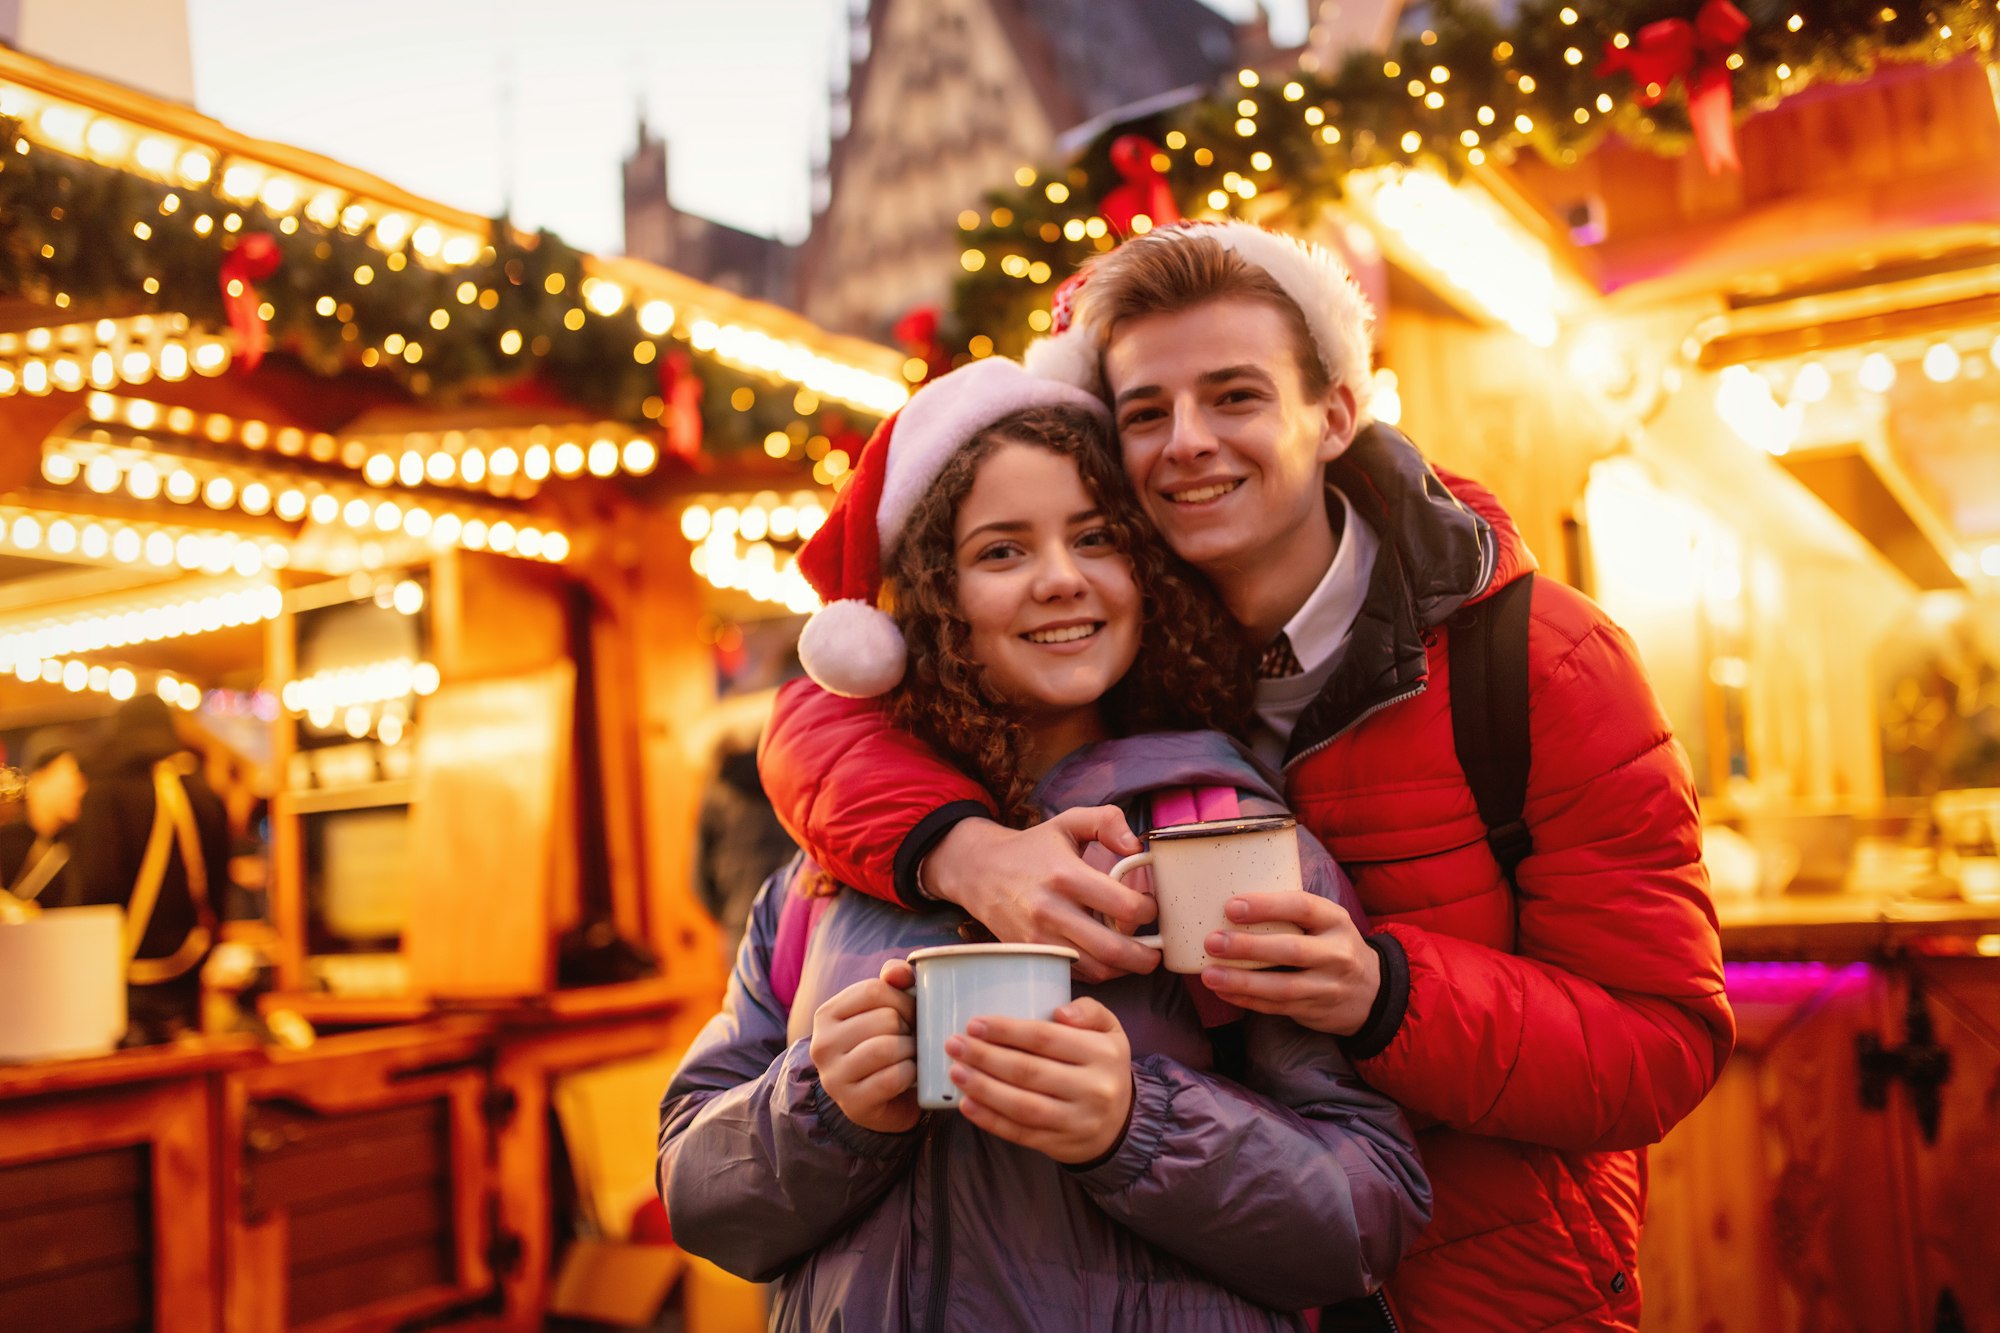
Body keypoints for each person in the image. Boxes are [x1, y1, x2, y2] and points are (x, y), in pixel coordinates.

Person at [757, 222, 1735, 1332]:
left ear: (1333, 412)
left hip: (1475, 1292)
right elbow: (822, 718)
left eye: (1233, 396)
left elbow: (1663, 1045)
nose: (1186, 444)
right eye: (1144, 413)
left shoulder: (1534, 661)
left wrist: (1385, 995)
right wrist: (964, 849)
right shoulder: (1121, 623)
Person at [659, 358, 1429, 1331]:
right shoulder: (820, 878)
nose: (1061, 578)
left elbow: (1369, 1215)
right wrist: (816, 1109)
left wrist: (1135, 1126)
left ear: (1144, 574)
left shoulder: (1219, 838)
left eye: (1096, 537)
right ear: (933, 601)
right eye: (1001, 551)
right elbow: (697, 1196)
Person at [72, 694, 232, 1043]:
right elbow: (220, 887)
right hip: (189, 961)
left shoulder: (105, 793)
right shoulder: (202, 793)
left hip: (123, 970)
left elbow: (98, 883)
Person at [0, 728, 88, 910]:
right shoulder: (5, 841)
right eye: (69, 781)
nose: (79, 791)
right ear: (39, 779)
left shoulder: (80, 845)